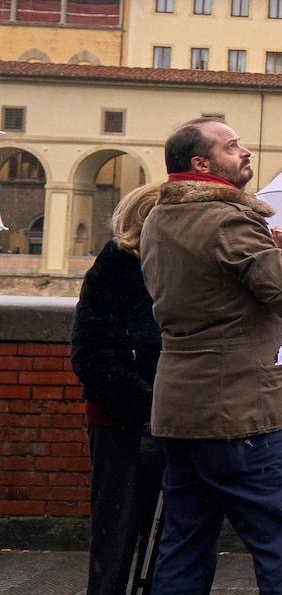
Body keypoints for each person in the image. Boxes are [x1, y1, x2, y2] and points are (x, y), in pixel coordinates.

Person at [140, 118, 282, 595]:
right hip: (240, 412)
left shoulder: (159, 218)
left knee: (184, 543)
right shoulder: (229, 221)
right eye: (231, 146)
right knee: (281, 540)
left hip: (180, 411)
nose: (244, 152)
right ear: (201, 164)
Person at [70, 182, 165, 595]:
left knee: (166, 541)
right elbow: (92, 358)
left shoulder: (176, 270)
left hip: (171, 421)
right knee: (117, 538)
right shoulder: (116, 266)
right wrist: (152, 406)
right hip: (121, 424)